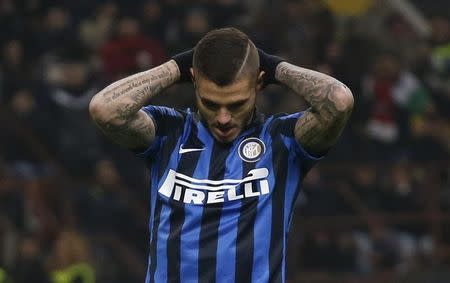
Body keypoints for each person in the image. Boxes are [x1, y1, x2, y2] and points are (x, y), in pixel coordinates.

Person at [89, 27, 353, 283]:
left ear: (259, 84)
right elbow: (105, 109)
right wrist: (180, 66)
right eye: (211, 104)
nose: (224, 118)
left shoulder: (282, 139)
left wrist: (270, 65)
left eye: (236, 104)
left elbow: (339, 102)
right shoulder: (168, 132)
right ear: (194, 83)